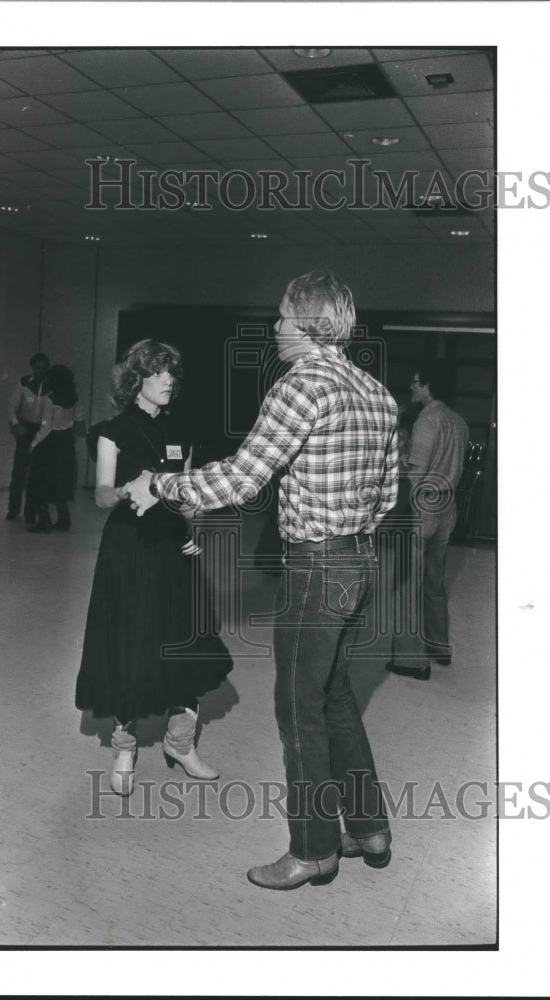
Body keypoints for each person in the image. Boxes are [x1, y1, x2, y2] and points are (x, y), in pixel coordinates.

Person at [125, 270, 399, 891]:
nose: (274, 327)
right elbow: (386, 497)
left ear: (309, 326)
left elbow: (242, 479)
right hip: (357, 562)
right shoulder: (375, 392)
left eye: (281, 317)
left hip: (316, 565)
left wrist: (160, 485)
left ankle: (313, 851)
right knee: (335, 698)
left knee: (298, 708)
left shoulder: (301, 386)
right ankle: (369, 828)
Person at [75, 339, 233, 797]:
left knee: (183, 638)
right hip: (129, 549)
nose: (168, 381)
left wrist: (193, 533)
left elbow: (187, 497)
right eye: (158, 373)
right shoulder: (111, 431)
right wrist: (131, 489)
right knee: (132, 641)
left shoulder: (182, 430)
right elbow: (102, 495)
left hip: (171, 546)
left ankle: (181, 743)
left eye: (172, 373)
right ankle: (125, 748)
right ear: (136, 380)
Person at [385, 362, 469, 680]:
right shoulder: (458, 421)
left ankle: (410, 661)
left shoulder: (426, 420)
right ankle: (438, 647)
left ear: (427, 385)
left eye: (415, 382)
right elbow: (444, 461)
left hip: (423, 510)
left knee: (407, 585)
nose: (412, 387)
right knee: (435, 583)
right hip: (448, 508)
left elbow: (417, 473)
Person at [26, 364, 80, 533]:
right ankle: (64, 520)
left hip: (50, 444)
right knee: (61, 483)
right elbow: (77, 421)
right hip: (66, 442)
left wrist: (33, 444)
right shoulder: (75, 398)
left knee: (41, 483)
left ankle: (45, 522)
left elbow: (46, 427)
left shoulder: (50, 399)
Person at [6, 352, 51, 524]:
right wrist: (17, 425)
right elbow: (12, 408)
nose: (41, 370)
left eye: (44, 367)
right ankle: (13, 509)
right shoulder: (23, 383)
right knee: (19, 472)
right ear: (33, 368)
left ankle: (36, 510)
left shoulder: (52, 386)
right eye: (38, 367)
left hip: (43, 432)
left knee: (40, 474)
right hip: (25, 431)